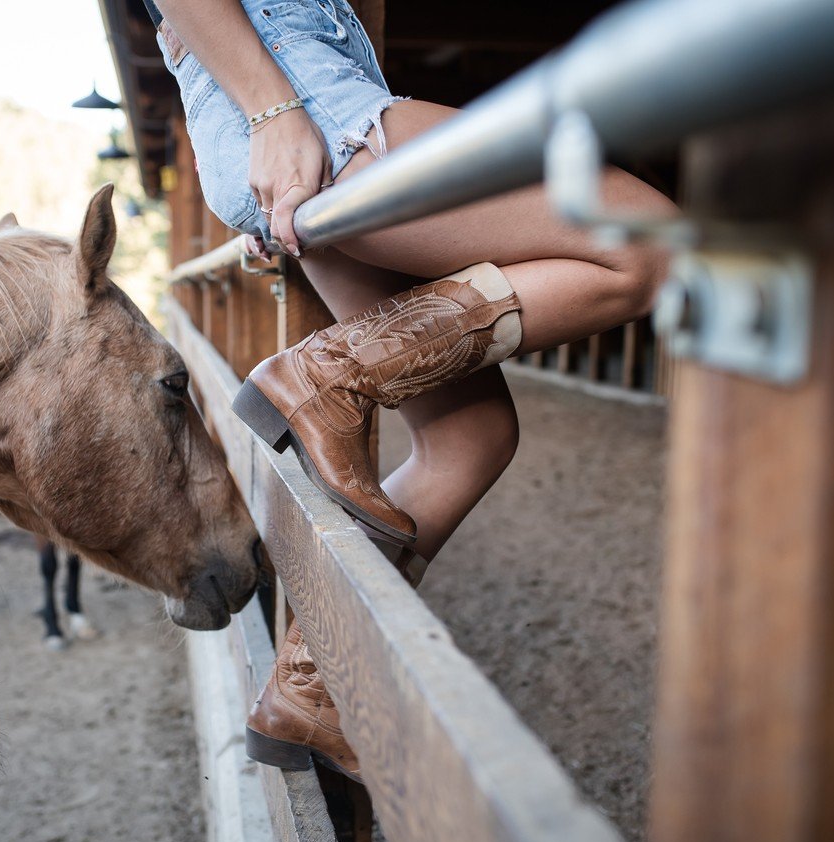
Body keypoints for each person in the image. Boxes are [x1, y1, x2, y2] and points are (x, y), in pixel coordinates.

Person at [152, 0, 677, 783]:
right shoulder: (284, 100)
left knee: (471, 438)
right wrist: (273, 110)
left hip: (296, 112)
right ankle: (330, 372)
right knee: (649, 243)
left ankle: (312, 681)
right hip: (306, 106)